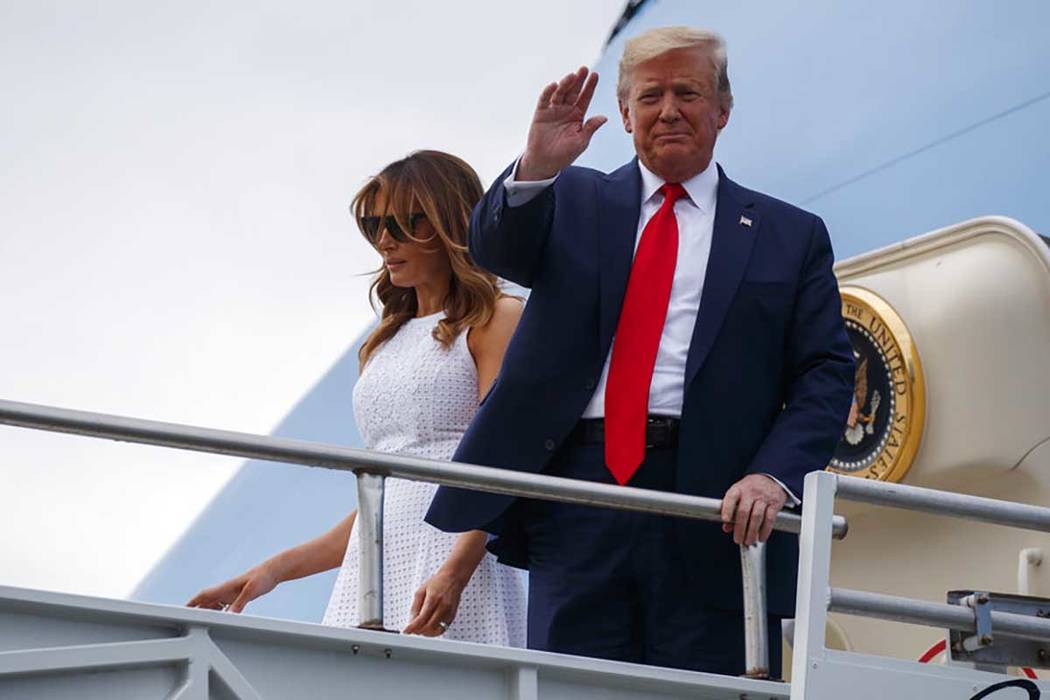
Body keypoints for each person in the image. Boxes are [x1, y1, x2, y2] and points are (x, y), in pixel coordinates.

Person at [426, 27, 854, 675]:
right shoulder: (570, 197)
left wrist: (775, 475)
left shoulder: (788, 235)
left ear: (723, 110)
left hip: (719, 507)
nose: (669, 109)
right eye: (650, 95)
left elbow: (825, 373)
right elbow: (493, 250)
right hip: (578, 497)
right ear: (624, 114)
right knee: (571, 688)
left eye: (689, 92)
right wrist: (538, 165)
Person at [188, 150, 527, 647]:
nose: (384, 241)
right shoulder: (383, 341)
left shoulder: (496, 315)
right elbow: (383, 500)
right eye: (373, 226)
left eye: (403, 224)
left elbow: (505, 462)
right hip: (372, 574)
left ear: (448, 223)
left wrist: (454, 572)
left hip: (460, 566)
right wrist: (273, 571)